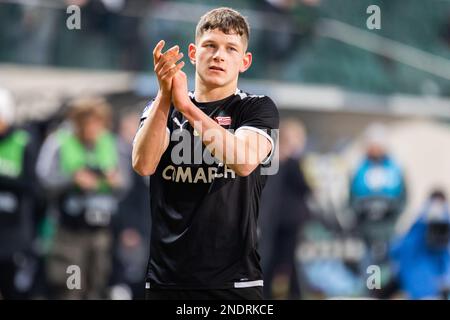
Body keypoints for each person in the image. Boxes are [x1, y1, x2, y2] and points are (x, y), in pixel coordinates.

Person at [132, 7, 279, 300]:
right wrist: (165, 95)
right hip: (166, 282)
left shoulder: (256, 108)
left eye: (230, 49)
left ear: (245, 61)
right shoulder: (161, 107)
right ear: (193, 52)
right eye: (210, 45)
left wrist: (188, 108)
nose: (218, 55)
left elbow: (244, 161)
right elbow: (143, 164)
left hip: (235, 284)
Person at [36, 97, 123, 299]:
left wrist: (114, 181)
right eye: (90, 123)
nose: (95, 129)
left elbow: (124, 183)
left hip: (100, 233)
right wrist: (73, 181)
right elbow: (44, 181)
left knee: (96, 288)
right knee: (71, 288)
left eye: (99, 123)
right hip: (70, 235)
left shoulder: (110, 143)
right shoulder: (59, 142)